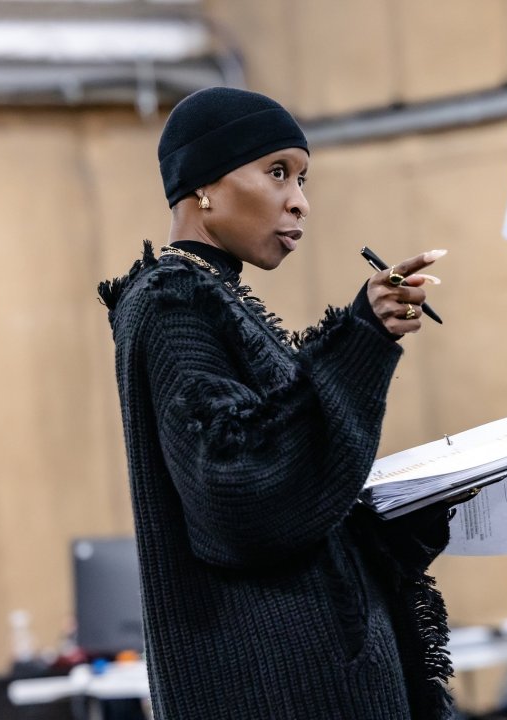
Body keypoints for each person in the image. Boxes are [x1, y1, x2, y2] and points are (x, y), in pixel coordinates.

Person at [98, 87, 455, 720]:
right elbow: (239, 493)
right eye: (278, 172)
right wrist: (360, 338)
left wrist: (407, 513)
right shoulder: (172, 305)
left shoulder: (216, 300)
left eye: (303, 177)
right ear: (203, 185)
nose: (300, 201)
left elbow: (300, 501)